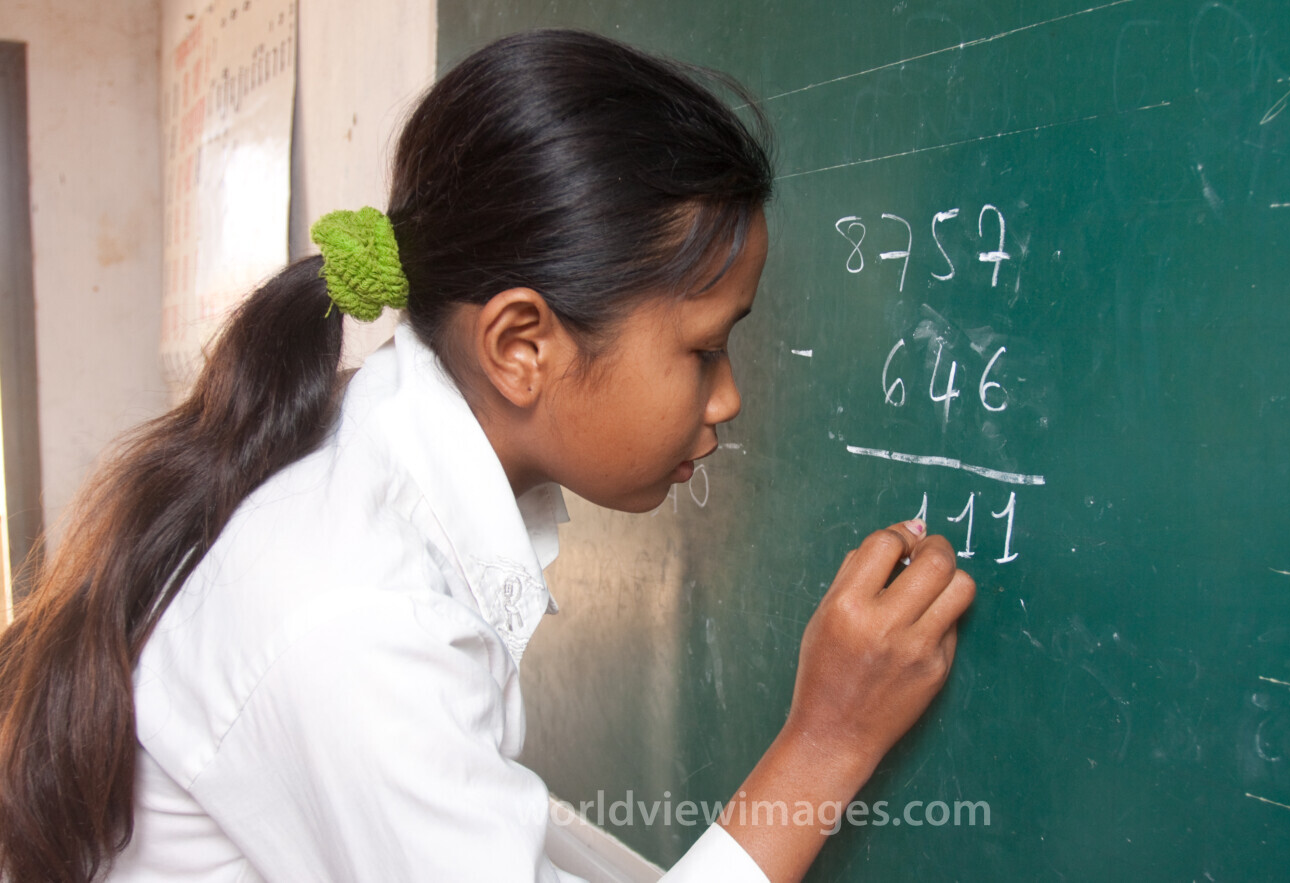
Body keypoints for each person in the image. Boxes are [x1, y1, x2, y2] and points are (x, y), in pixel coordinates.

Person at [0, 29, 974, 883]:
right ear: (521, 346)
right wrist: (825, 744)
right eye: (702, 348)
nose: (729, 396)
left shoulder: (370, 475)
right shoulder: (356, 618)